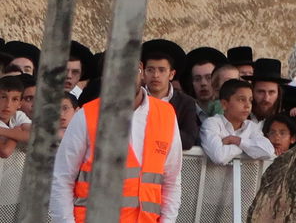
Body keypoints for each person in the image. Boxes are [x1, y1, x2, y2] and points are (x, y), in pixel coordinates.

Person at [50, 66, 181, 222]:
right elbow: (62, 178)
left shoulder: (166, 115)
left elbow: (171, 181)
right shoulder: (86, 116)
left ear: (142, 72)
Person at [140, 40, 202, 151]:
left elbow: (188, 140)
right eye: (150, 70)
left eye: (162, 70)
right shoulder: (135, 98)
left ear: (171, 74)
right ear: (143, 73)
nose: (155, 75)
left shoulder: (186, 102)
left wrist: (156, 131)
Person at [200, 79, 275, 164]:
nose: (247, 105)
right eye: (241, 99)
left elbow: (268, 151)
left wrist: (237, 141)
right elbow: (219, 157)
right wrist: (246, 147)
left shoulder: (251, 126)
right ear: (224, 104)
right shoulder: (211, 124)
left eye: (250, 100)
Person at [250, 58, 286, 126]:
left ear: (279, 93)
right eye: (261, 92)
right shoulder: (238, 118)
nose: (266, 98)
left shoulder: (286, 122)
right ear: (252, 91)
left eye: (271, 92)